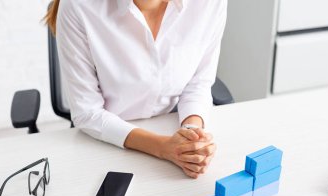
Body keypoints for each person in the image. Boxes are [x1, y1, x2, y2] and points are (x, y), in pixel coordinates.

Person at [45, 0, 227, 178]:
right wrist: (163, 147)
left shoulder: (209, 4)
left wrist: (191, 137)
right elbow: (87, 112)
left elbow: (198, 83)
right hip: (109, 139)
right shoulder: (78, 6)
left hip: (168, 123)